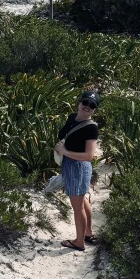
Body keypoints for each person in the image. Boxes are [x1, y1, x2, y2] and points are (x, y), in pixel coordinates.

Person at [54, 90, 100, 252]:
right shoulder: (72, 118)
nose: (87, 107)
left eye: (92, 105)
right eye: (85, 103)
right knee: (83, 199)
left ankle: (79, 241)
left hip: (78, 167)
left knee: (77, 205)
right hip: (70, 165)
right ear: (79, 103)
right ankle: (88, 232)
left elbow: (89, 155)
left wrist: (65, 152)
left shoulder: (91, 128)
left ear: (94, 109)